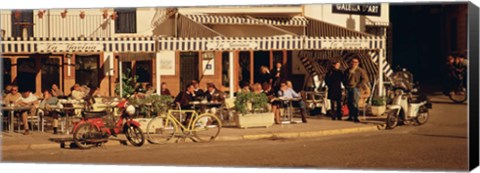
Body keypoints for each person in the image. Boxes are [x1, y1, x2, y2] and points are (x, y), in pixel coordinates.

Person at [343, 57, 369, 123]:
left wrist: (358, 86)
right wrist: (345, 84)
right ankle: (350, 116)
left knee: (355, 102)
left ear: (358, 63)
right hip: (348, 88)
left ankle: (356, 116)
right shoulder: (347, 70)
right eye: (353, 62)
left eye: (355, 62)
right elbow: (344, 78)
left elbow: (365, 79)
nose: (354, 63)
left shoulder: (360, 70)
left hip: (355, 88)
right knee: (349, 102)